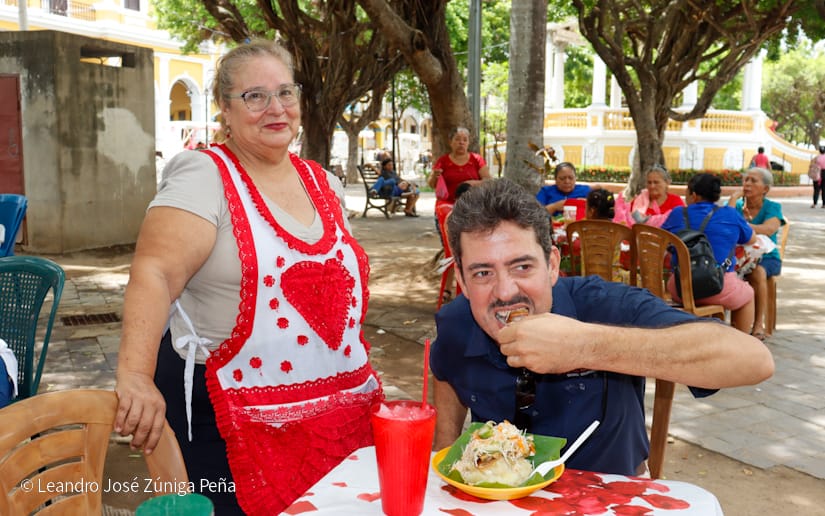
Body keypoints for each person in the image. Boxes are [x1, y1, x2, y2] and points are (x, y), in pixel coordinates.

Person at [114, 40, 383, 515]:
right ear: (225, 109)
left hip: (336, 423)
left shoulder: (325, 183)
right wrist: (135, 376)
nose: (275, 108)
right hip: (229, 422)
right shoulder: (205, 177)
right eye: (255, 96)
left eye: (285, 93)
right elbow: (154, 272)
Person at [430, 179, 773, 476]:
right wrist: (442, 460)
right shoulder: (458, 320)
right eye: (482, 273)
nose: (505, 292)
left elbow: (752, 360)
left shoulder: (607, 305)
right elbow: (446, 371)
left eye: (522, 266)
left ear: (551, 265)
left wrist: (586, 347)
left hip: (609, 499)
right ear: (460, 278)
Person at [662, 173, 757, 334]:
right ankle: (741, 342)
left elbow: (661, 241)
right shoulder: (730, 214)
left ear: (693, 195)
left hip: (680, 288)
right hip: (719, 287)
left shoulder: (678, 214)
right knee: (748, 294)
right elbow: (751, 239)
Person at [727, 167, 786, 340]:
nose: (748, 184)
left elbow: (769, 229)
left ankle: (758, 323)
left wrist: (742, 225)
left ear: (765, 189)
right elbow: (725, 222)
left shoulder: (773, 207)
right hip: (739, 255)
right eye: (746, 180)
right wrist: (732, 199)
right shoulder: (737, 205)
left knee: (758, 271)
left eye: (754, 181)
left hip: (767, 258)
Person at [428, 127, 490, 208]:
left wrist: (472, 183)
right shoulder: (443, 161)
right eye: (457, 139)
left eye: (465, 140)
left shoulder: (477, 159)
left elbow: (488, 181)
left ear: (468, 143)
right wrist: (434, 176)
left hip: (473, 205)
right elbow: (431, 184)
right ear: (450, 142)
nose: (461, 143)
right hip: (447, 205)